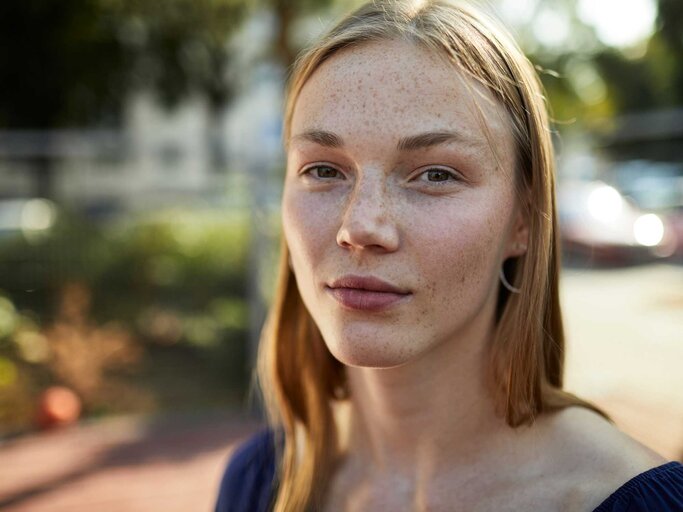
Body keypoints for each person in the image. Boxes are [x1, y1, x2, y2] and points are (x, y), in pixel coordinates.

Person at [215, 1, 683, 510]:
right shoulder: (261, 482)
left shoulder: (635, 501)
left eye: (436, 174)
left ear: (522, 221)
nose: (360, 227)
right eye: (324, 170)